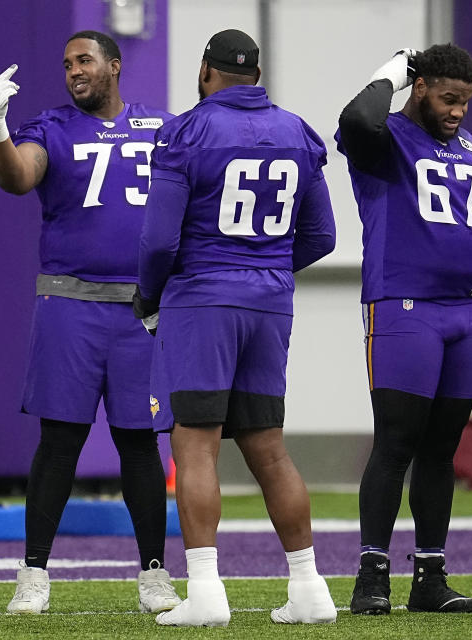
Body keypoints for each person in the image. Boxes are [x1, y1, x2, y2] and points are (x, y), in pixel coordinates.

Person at [134, 29, 338, 627]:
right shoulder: (299, 131)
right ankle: (309, 588)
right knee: (269, 448)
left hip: (203, 299)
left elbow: (157, 239)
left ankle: (205, 593)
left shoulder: (187, 130)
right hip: (271, 301)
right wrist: (263, 266)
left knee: (193, 444)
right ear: (255, 74)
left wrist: (150, 295)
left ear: (206, 71)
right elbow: (322, 236)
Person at [0, 30, 181, 614]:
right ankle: (34, 572)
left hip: (141, 309)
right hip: (70, 303)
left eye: (85, 60)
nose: (74, 71)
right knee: (59, 441)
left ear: (114, 66)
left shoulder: (162, 128)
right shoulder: (51, 127)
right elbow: (16, 176)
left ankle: (152, 572)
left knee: (140, 445)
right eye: (67, 63)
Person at [336, 44, 472, 615]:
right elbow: (355, 119)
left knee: (442, 451)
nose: (457, 112)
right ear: (419, 89)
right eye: (447, 98)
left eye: (465, 102)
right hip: (404, 307)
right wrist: (391, 74)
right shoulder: (386, 139)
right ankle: (372, 576)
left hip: (465, 315)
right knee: (395, 443)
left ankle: (430, 577)